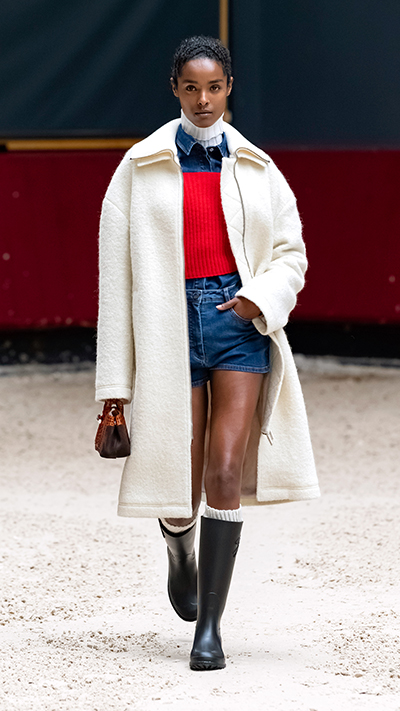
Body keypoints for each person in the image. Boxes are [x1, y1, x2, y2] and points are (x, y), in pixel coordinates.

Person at [95, 35, 319, 671]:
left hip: (236, 323)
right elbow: (116, 284)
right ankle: (180, 546)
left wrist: (258, 299)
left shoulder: (257, 166)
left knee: (224, 470)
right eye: (191, 87)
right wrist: (113, 390)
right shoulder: (138, 168)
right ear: (174, 88)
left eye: (214, 87)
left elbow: (291, 254)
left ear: (229, 89)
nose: (202, 99)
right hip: (167, 328)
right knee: (180, 480)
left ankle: (210, 630)